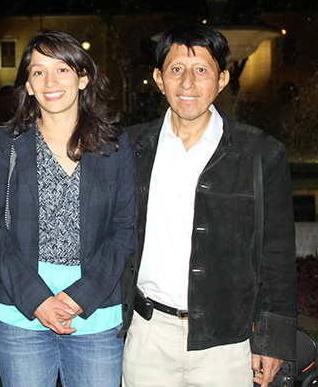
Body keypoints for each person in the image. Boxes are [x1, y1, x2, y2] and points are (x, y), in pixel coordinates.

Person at [120, 22, 297, 387]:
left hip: (227, 343)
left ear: (221, 80)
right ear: (158, 78)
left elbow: (276, 252)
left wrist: (273, 339)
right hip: (148, 337)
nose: (187, 83)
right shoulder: (130, 148)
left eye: (202, 70)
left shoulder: (260, 153)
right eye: (176, 70)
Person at [0, 29, 135, 387]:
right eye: (38, 72)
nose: (50, 81)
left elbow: (124, 229)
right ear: (29, 86)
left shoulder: (113, 145)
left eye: (62, 70)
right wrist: (37, 300)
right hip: (21, 314)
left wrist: (80, 298)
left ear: (83, 78)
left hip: (95, 315)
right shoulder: (7, 143)